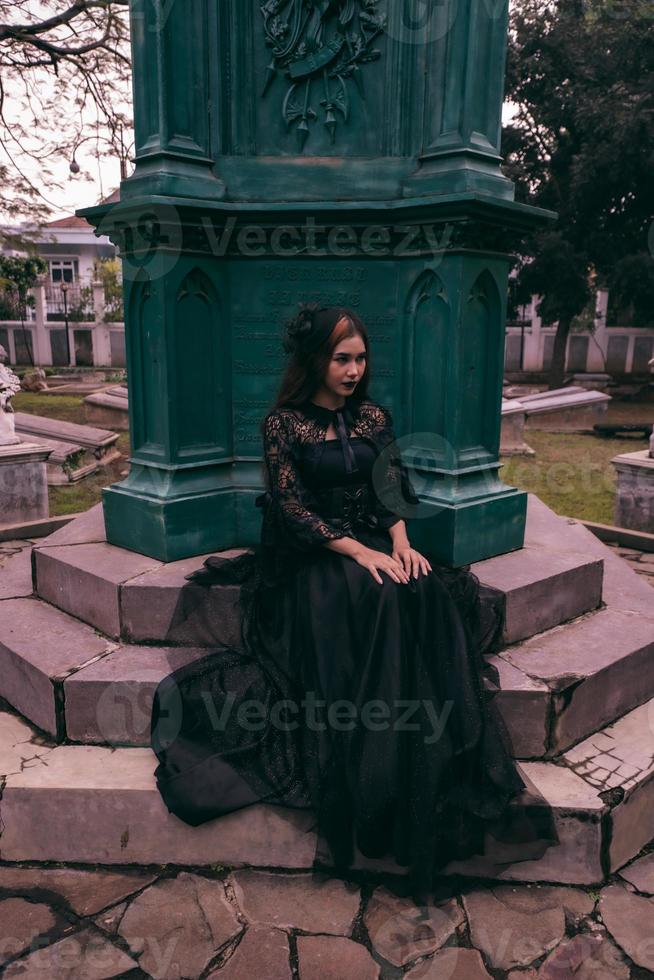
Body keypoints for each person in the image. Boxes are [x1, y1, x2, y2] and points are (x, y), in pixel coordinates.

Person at [150, 305, 558, 902]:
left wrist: (399, 543)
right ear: (316, 360)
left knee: (421, 588)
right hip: (316, 555)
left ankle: (427, 756)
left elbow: (393, 491)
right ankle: (374, 766)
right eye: (341, 358)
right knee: (376, 597)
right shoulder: (283, 424)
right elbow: (291, 509)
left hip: (373, 541)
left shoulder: (373, 417)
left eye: (360, 358)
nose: (352, 369)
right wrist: (358, 554)